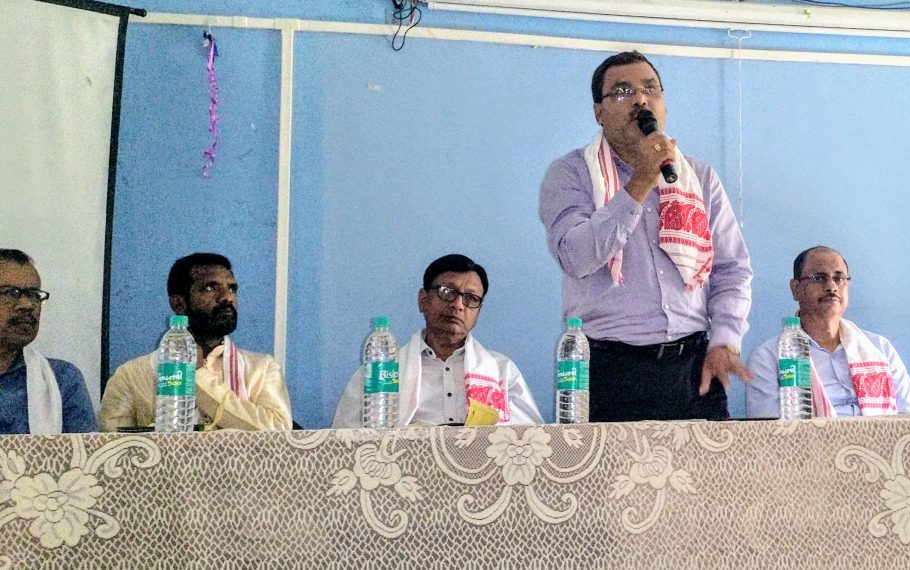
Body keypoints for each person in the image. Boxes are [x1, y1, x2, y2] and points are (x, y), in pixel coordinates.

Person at [538, 51, 753, 422]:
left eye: (650, 89)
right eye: (623, 91)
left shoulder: (698, 177)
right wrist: (640, 181)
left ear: (663, 104)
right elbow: (576, 256)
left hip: (693, 369)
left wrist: (725, 340)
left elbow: (732, 269)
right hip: (610, 370)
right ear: (599, 112)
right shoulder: (571, 174)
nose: (640, 99)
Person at [333, 254, 542, 427]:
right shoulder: (380, 373)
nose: (458, 305)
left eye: (471, 298)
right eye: (447, 292)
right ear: (423, 300)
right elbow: (345, 441)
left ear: (479, 311)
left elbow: (532, 442)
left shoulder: (502, 371)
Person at [99, 253, 292, 431]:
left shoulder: (262, 368)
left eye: (232, 288)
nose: (227, 297)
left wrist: (198, 377)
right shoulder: (130, 376)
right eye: (210, 288)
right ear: (178, 304)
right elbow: (112, 449)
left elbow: (279, 433)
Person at [746, 246, 910, 417]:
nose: (831, 287)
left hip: (880, 437)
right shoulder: (768, 358)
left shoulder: (880, 348)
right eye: (818, 278)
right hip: (811, 438)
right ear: (796, 288)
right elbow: (770, 432)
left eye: (839, 278)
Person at [0, 249, 96, 434]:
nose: (27, 305)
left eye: (34, 295)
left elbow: (85, 451)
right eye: (11, 293)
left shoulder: (63, 379)